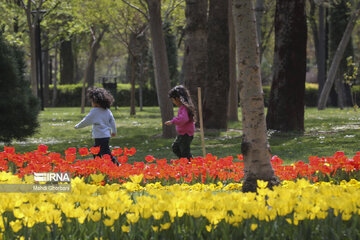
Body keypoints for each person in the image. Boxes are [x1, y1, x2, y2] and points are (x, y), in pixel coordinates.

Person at [74, 87, 118, 165]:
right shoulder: (107, 111)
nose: (91, 103)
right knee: (99, 150)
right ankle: (100, 164)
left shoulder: (95, 111)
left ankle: (114, 164)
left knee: (102, 152)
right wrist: (114, 131)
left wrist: (78, 126)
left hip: (99, 136)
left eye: (92, 101)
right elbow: (112, 121)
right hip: (106, 136)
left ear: (96, 101)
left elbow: (86, 120)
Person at [165, 85, 196, 160]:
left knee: (185, 151)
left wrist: (173, 121)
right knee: (175, 147)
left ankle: (189, 163)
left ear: (178, 98)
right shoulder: (183, 108)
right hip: (182, 133)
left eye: (173, 100)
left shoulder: (184, 108)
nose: (173, 102)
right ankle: (185, 161)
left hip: (186, 134)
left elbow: (183, 119)